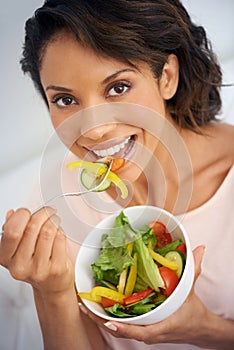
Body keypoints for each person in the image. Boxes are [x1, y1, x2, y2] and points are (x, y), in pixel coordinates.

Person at [0, 0, 234, 349]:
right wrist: (53, 293)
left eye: (118, 88)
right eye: (65, 100)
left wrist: (204, 328)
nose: (93, 131)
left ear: (166, 77)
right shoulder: (55, 203)